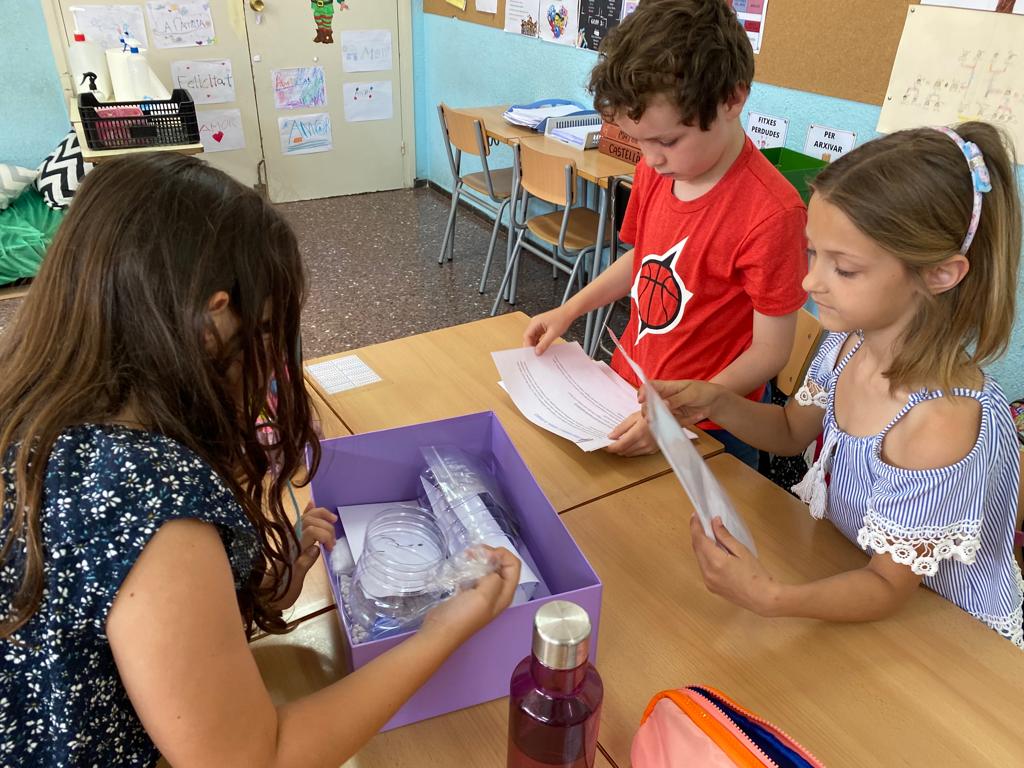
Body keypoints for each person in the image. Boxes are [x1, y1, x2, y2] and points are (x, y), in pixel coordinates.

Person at [0, 153, 521, 766]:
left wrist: (242, 591)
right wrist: (444, 629)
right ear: (213, 318)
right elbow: (257, 758)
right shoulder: (150, 498)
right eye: (269, 329)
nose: (271, 360)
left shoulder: (35, 408)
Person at [651, 122, 1023, 649]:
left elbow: (888, 587)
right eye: (813, 253)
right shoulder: (848, 345)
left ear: (939, 274)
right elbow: (790, 431)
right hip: (853, 576)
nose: (810, 281)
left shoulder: (940, 421)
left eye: (843, 269)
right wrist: (719, 402)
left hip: (951, 638)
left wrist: (769, 597)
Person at [523, 0, 808, 465]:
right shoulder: (659, 171)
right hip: (629, 391)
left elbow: (770, 351)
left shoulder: (773, 213)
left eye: (667, 141)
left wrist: (682, 410)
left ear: (732, 99)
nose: (651, 158)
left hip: (712, 428)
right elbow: (642, 259)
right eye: (639, 141)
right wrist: (569, 309)